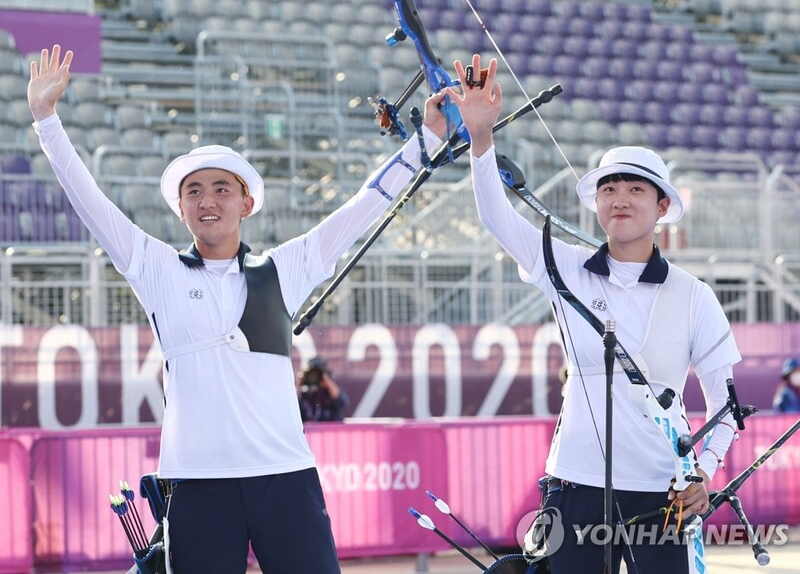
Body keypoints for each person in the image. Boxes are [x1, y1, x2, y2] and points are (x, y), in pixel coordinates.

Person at [27, 45, 445, 574]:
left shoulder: (285, 267)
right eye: (194, 191)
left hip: (285, 477)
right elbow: (89, 201)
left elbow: (363, 206)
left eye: (222, 189)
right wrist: (47, 120)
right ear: (179, 208)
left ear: (246, 203)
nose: (207, 200)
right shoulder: (156, 269)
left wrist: (426, 140)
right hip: (197, 484)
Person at [435, 55, 742, 574]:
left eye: (635, 188)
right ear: (596, 203)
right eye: (608, 188)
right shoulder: (565, 265)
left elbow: (727, 405)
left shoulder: (694, 295)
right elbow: (495, 216)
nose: (619, 199)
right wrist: (481, 139)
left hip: (661, 495)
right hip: (573, 487)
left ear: (662, 206)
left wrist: (704, 474)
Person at [297, 356, 349, 422]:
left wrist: (326, 380)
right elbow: (292, 406)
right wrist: (299, 384)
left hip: (330, 430)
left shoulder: (330, 393)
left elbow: (341, 402)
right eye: (311, 375)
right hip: (307, 431)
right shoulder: (303, 395)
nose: (314, 377)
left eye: (317, 375)